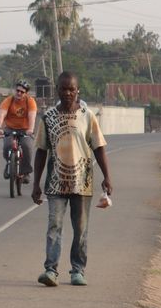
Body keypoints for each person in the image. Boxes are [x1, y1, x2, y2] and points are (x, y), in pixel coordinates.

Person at [31, 71, 113, 287]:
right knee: (54, 226)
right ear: (57, 90)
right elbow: (41, 151)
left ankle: (78, 270)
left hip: (82, 183)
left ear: (78, 91)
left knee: (80, 229)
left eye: (72, 89)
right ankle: (51, 270)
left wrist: (107, 176)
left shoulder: (87, 116)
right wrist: (36, 184)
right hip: (55, 183)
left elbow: (99, 147)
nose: (68, 93)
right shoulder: (48, 117)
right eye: (63, 89)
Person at [0, 80, 38, 182]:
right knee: (7, 147)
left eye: (22, 92)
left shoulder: (30, 101)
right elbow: (2, 114)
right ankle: (9, 164)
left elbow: (32, 116)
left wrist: (30, 129)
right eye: (17, 90)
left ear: (26, 93)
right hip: (10, 128)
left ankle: (26, 172)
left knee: (27, 147)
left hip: (25, 130)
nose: (19, 93)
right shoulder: (9, 100)